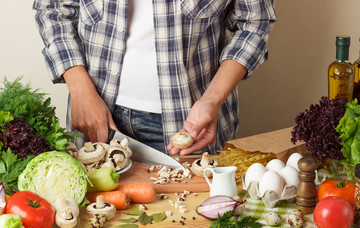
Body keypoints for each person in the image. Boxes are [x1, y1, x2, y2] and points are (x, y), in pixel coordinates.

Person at [33, 0, 276, 156]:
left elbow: (254, 23)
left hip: (190, 126)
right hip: (94, 115)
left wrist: (211, 100)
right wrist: (80, 90)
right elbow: (52, 10)